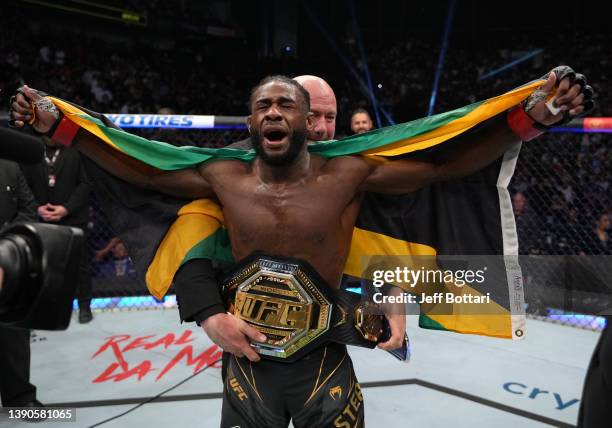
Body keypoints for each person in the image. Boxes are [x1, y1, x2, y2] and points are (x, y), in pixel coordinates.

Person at [11, 68, 590, 427]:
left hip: (325, 354)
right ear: (251, 118)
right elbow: (146, 171)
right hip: (246, 356)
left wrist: (527, 121)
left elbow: (441, 164)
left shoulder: (349, 174)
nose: (274, 113)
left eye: (287, 105)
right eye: (264, 104)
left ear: (307, 122)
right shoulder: (222, 176)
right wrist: (59, 127)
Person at [20, 137, 93, 323]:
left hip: (73, 217)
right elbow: (23, 183)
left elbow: (86, 183)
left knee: (80, 265)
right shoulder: (32, 150)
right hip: (41, 218)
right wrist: (37, 207)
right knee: (44, 265)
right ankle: (46, 306)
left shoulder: (77, 150)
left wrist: (66, 208)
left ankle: (84, 306)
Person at [0, 159, 45, 415]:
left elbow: (28, 209)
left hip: (6, 261)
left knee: (13, 332)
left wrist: (7, 240)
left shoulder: (10, 167)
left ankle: (20, 397)